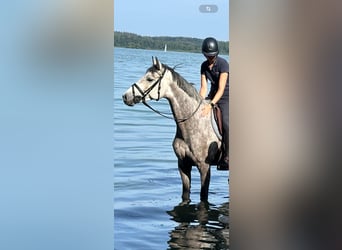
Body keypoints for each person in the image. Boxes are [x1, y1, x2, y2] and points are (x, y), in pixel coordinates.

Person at [199, 37, 229, 170]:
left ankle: (227, 156)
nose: (210, 58)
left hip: (226, 97)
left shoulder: (223, 64)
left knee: (227, 123)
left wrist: (210, 105)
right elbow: (203, 88)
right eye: (208, 56)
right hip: (212, 95)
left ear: (216, 54)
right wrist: (200, 103)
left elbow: (221, 89)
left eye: (212, 56)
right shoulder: (204, 66)